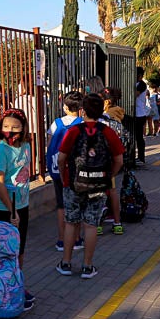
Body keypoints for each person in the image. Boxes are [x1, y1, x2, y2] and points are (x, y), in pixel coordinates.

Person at [56, 93, 125, 279]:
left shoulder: (73, 131)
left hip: (74, 184)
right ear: (101, 110)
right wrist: (109, 174)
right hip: (98, 184)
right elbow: (119, 159)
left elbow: (61, 158)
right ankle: (87, 266)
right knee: (91, 225)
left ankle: (66, 263)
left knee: (71, 223)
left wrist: (65, 176)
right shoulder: (108, 131)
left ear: (82, 111)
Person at [0, 108, 36, 311]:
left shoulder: (25, 145)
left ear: (23, 128)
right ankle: (3, 288)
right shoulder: (1, 150)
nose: (10, 131)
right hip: (4, 207)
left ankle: (15, 283)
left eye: (15, 127)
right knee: (5, 251)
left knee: (19, 249)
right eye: (6, 127)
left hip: (21, 205)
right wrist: (11, 210)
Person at [46, 92, 84, 252]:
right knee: (76, 204)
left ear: (65, 107)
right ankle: (76, 239)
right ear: (81, 108)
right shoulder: (82, 124)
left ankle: (61, 240)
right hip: (76, 170)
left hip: (57, 168)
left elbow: (49, 144)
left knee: (61, 205)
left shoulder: (56, 123)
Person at [99, 87, 131, 235]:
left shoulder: (101, 120)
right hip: (112, 161)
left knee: (99, 192)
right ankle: (117, 222)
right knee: (112, 190)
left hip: (99, 162)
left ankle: (98, 221)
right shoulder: (116, 119)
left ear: (106, 102)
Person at [133, 68, 148, 165]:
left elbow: (135, 94)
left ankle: (141, 158)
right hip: (136, 113)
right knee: (134, 136)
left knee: (139, 137)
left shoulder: (142, 85)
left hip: (140, 114)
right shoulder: (136, 84)